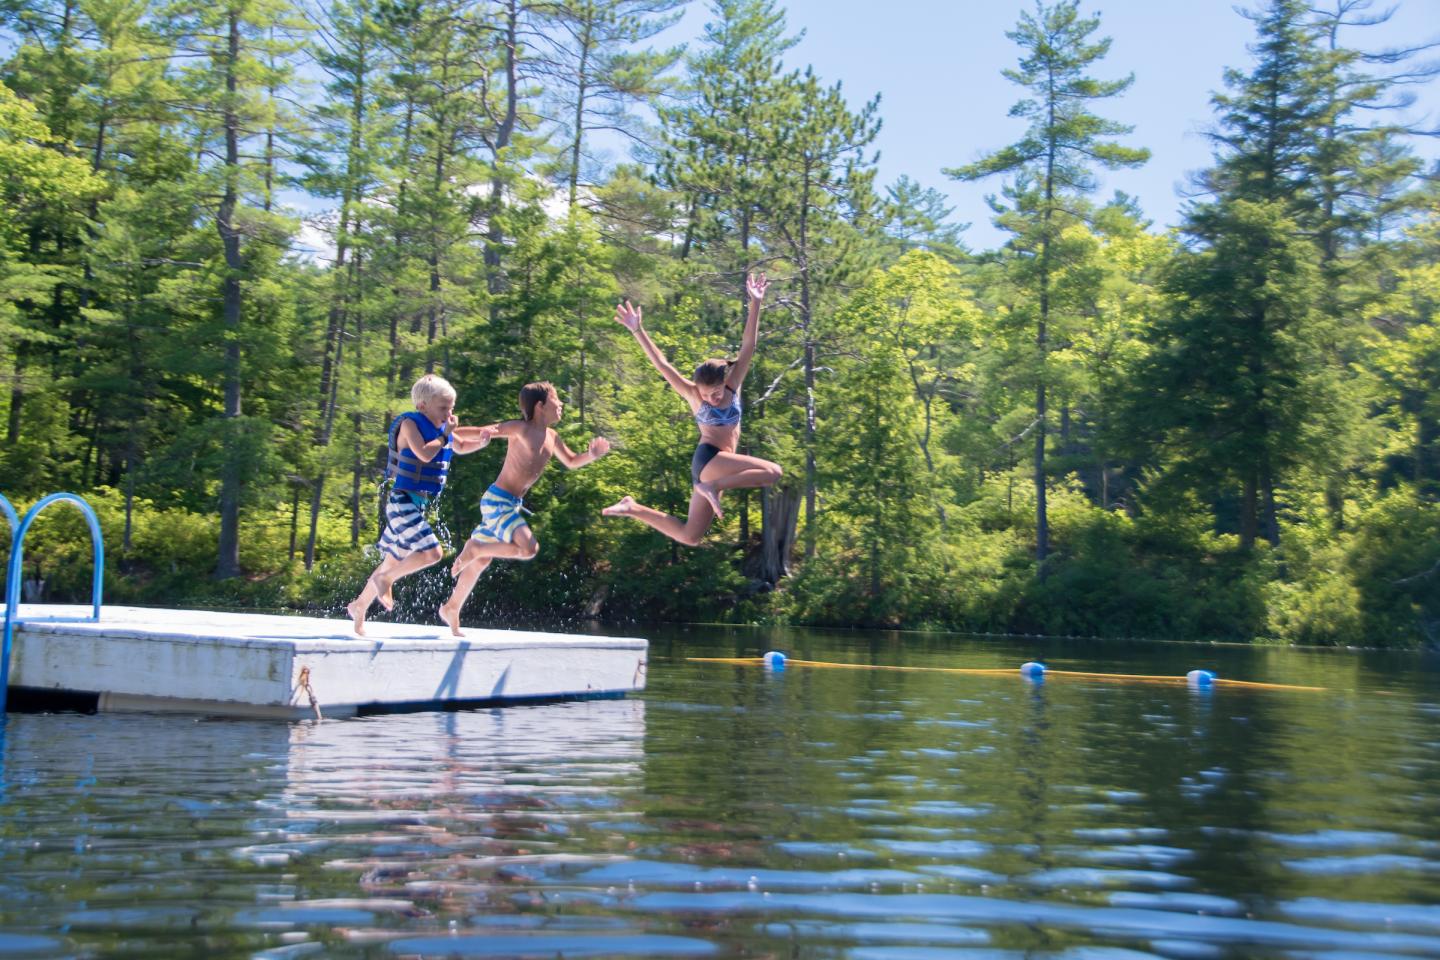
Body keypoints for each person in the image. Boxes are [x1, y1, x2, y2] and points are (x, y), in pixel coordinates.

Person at [602, 273, 782, 544]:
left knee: (691, 536)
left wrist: (756, 302)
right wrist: (638, 330)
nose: (711, 398)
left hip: (714, 466)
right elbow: (662, 364)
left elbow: (749, 345)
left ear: (725, 382)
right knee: (773, 473)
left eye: (716, 393)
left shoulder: (733, 383)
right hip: (710, 459)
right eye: (706, 394)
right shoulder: (693, 393)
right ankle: (711, 486)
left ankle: (633, 508)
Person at [438, 381, 610, 637]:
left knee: (481, 561)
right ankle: (475, 548)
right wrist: (447, 434)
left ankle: (452, 607)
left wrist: (592, 455)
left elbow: (572, 461)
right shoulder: (520, 429)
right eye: (556, 400)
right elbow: (485, 430)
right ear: (540, 406)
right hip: (498, 501)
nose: (561, 404)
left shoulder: (552, 437)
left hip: (510, 505)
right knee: (528, 548)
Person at [347, 374, 489, 636]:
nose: (449, 413)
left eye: (451, 408)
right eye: (443, 408)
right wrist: (446, 435)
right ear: (423, 405)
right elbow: (424, 453)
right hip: (401, 502)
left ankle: (359, 605)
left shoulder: (442, 429)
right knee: (432, 553)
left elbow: (459, 447)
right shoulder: (410, 425)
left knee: (392, 560)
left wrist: (481, 442)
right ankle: (385, 580)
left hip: (416, 505)